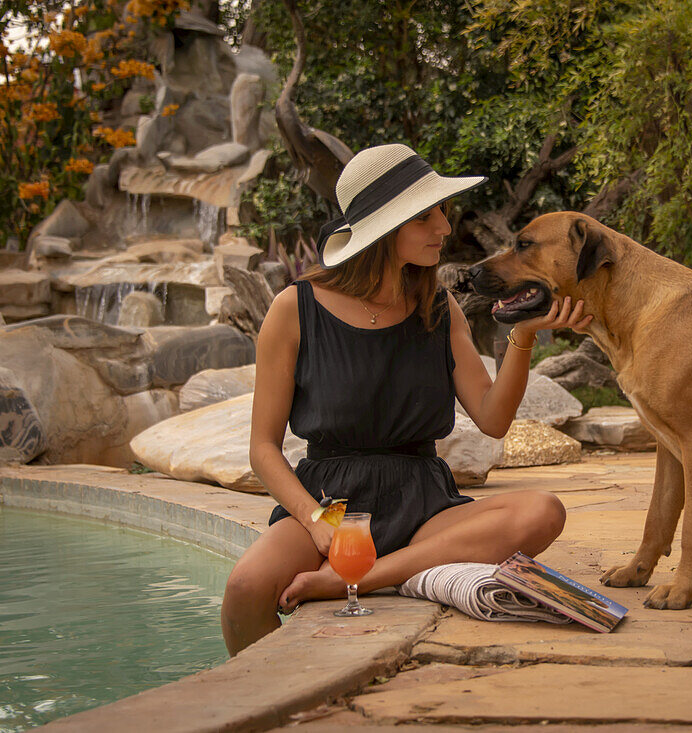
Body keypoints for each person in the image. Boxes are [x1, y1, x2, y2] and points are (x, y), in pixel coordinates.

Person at [220, 144, 591, 655]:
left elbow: (493, 419)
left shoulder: (439, 308)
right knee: (245, 589)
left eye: (441, 211)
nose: (444, 226)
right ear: (383, 230)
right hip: (330, 503)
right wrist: (315, 522)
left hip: (424, 505)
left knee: (541, 511)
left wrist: (523, 333)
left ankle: (360, 577)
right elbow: (263, 448)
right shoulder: (294, 309)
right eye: (427, 216)